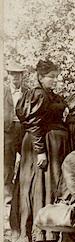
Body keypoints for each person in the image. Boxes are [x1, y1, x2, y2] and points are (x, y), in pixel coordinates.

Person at [14, 59, 69, 242]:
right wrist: (40, 152)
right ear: (40, 77)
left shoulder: (49, 94)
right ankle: (36, 232)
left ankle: (49, 231)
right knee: (38, 186)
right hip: (41, 145)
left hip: (51, 145)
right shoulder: (38, 95)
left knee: (49, 185)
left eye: (56, 77)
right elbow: (34, 125)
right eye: (51, 77)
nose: (55, 80)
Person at [4, 62, 26, 208]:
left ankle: (22, 192)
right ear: (8, 75)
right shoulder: (3, 91)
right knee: (7, 163)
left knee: (26, 160)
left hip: (24, 129)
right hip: (8, 130)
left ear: (22, 76)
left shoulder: (27, 92)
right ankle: (7, 195)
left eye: (17, 74)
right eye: (12, 74)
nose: (15, 77)